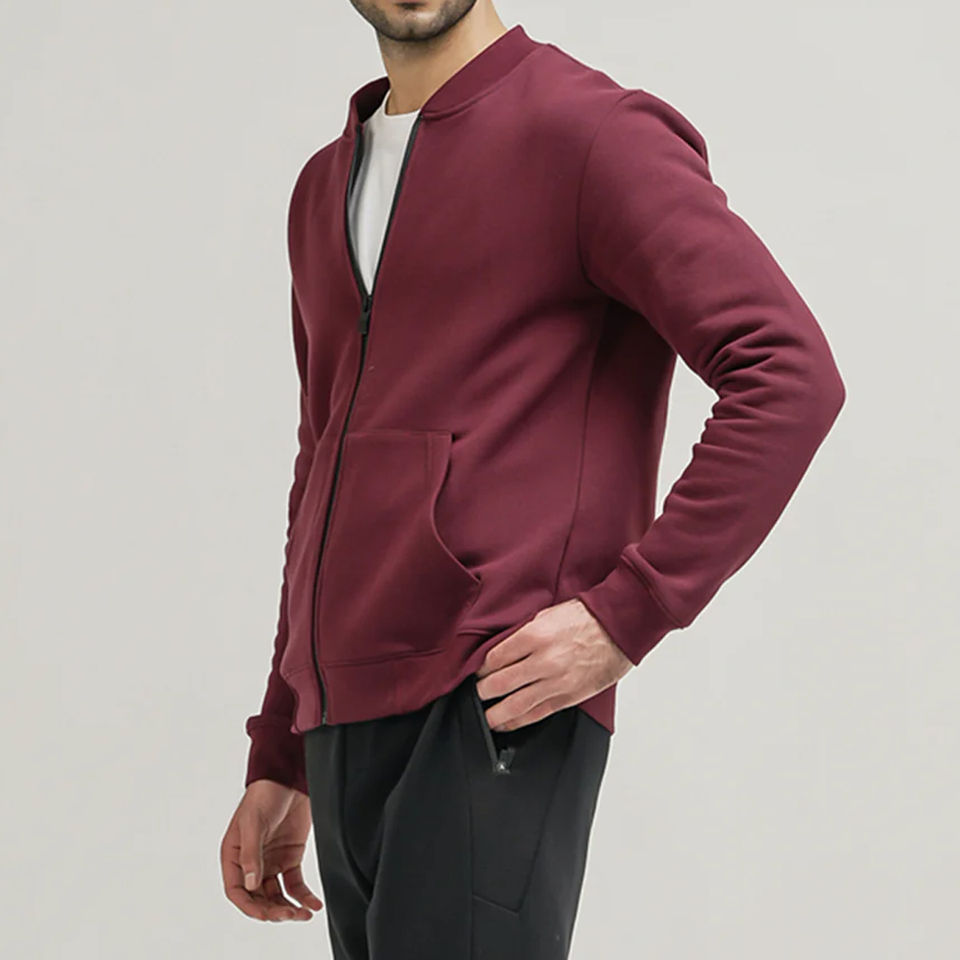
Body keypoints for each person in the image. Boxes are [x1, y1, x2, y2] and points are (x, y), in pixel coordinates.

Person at [219, 2, 846, 957]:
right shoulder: (323, 185)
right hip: (342, 712)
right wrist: (284, 741)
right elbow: (324, 463)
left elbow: (788, 372)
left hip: (497, 692)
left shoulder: (591, 135)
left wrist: (627, 613)